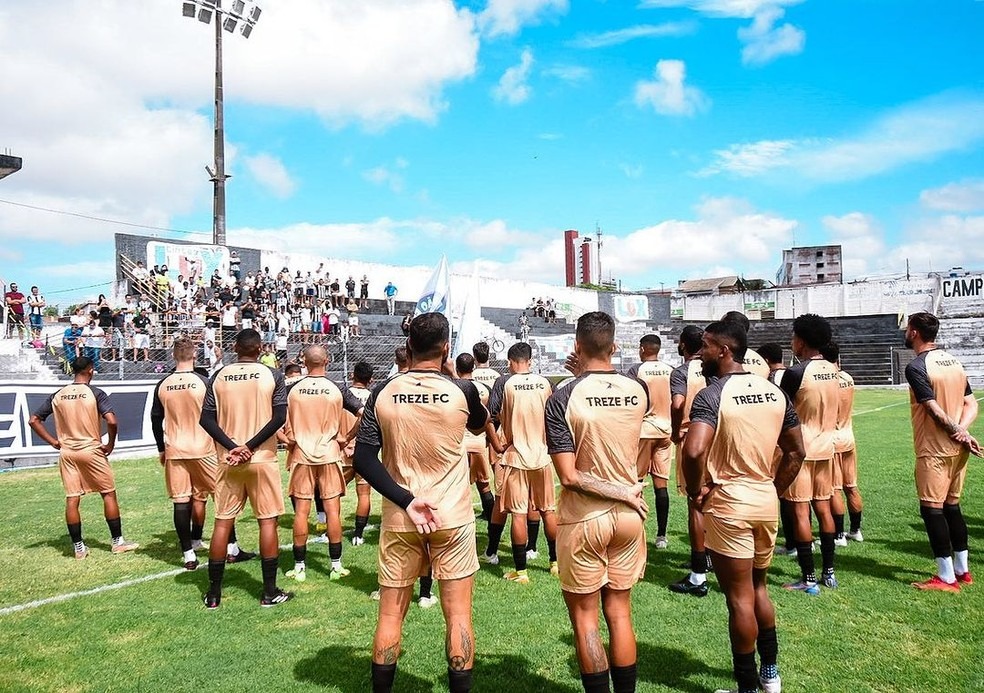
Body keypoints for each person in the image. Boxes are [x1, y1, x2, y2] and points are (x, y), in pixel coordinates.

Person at [353, 312, 488, 693]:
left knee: (391, 615)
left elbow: (363, 459)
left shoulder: (383, 391)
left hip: (402, 515)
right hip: (452, 516)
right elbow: (479, 424)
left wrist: (407, 500)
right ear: (446, 348)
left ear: (408, 345)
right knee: (459, 614)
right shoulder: (462, 391)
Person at [681, 320, 805, 693]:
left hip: (729, 501)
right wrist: (774, 489)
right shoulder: (773, 392)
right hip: (764, 498)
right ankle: (771, 677)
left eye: (705, 346)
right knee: (759, 588)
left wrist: (696, 489)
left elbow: (694, 449)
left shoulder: (713, 394)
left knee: (739, 599)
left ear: (724, 350)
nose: (701, 352)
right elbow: (797, 451)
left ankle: (747, 686)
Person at [545, 311, 648, 693]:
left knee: (586, 620)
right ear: (615, 346)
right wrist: (627, 485)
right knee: (620, 614)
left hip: (585, 516)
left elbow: (569, 476)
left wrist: (618, 488)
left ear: (576, 345)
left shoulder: (562, 397)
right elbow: (651, 442)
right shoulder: (637, 389)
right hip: (629, 517)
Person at [198, 329, 290, 608]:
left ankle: (213, 594)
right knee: (267, 521)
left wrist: (233, 446)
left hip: (228, 460)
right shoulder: (272, 375)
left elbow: (206, 420)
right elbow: (279, 417)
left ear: (235, 347)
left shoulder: (219, 376)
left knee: (223, 522)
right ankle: (269, 592)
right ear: (261, 348)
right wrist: (249, 446)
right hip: (260, 458)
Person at [29, 357, 139, 559]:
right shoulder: (95, 393)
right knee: (108, 493)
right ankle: (118, 543)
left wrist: (53, 442)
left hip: (68, 452)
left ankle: (78, 548)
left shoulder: (58, 394)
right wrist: (111, 444)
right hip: (91, 449)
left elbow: (33, 420)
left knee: (72, 498)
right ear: (91, 371)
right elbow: (112, 421)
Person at [904, 311, 981, 591]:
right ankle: (963, 571)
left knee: (932, 510)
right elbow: (971, 404)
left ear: (914, 332)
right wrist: (962, 431)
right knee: (952, 507)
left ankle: (946, 577)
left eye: (907, 328)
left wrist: (954, 430)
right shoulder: (954, 362)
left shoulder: (916, 367)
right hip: (958, 448)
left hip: (934, 449)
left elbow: (933, 409)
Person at [282, 345, 364, 583]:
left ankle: (299, 567)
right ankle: (336, 566)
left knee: (301, 511)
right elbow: (363, 413)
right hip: (329, 453)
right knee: (332, 510)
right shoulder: (337, 388)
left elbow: (274, 417)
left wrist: (287, 439)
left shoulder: (293, 388)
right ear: (327, 361)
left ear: (304, 362)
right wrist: (347, 437)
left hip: (302, 455)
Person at [779, 313, 841, 594]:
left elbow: (782, 412)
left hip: (801, 451)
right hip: (827, 449)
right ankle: (829, 573)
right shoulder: (834, 371)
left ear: (801, 341)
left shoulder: (796, 373)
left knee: (801, 513)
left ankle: (808, 578)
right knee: (824, 507)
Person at [485, 342, 555, 581]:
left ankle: (521, 571)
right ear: (530, 360)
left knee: (517, 512)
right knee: (546, 509)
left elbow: (489, 416)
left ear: (509, 362)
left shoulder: (504, 382)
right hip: (542, 455)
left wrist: (496, 445)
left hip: (516, 456)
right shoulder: (545, 383)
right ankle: (555, 563)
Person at [151, 337, 220, 570]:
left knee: (180, 501)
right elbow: (216, 415)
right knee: (220, 496)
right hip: (204, 448)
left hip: (175, 449)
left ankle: (188, 553)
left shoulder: (163, 384)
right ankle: (230, 546)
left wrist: (161, 448)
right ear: (194, 355)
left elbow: (155, 419)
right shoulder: (203, 382)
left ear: (173, 355)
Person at [668, 325, 710, 597]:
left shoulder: (682, 372)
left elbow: (677, 403)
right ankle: (711, 557)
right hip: (716, 437)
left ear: (683, 345)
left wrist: (675, 429)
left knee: (695, 502)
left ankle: (698, 573)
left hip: (691, 436)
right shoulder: (714, 367)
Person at [626, 334, 674, 549]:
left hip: (645, 431)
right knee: (661, 485)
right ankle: (661, 536)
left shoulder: (637, 370)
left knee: (636, 483)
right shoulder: (671, 370)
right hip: (666, 432)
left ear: (642, 349)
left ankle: (638, 533)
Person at [821, 342, 865, 546]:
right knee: (852, 486)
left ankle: (838, 535)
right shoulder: (848, 377)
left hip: (833, 438)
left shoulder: (826, 380)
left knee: (834, 488)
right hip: (849, 435)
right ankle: (855, 530)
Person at [456, 354, 497, 524]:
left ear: (457, 370)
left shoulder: (454, 388)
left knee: (457, 487)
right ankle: (491, 523)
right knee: (484, 485)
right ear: (473, 368)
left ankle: (459, 522)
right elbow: (491, 418)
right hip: (479, 442)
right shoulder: (485, 387)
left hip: (459, 443)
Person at [343, 361, 376, 548]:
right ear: (370, 380)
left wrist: (345, 441)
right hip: (364, 451)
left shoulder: (343, 395)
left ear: (352, 375)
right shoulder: (373, 397)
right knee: (363, 494)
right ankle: (358, 534)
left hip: (343, 450)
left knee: (332, 494)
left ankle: (328, 528)